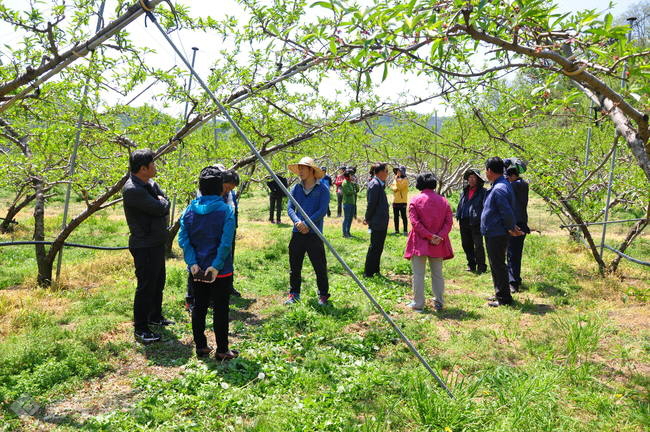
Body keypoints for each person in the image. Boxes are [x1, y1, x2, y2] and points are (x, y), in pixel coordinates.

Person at [178, 166, 239, 360]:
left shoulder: (189, 210)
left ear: (201, 188)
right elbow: (226, 242)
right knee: (221, 308)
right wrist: (216, 265)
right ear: (220, 188)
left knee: (199, 306)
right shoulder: (225, 210)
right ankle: (222, 350)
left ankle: (201, 347)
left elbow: (183, 238)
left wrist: (193, 263)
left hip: (197, 270)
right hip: (220, 271)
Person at [122, 149, 173, 344]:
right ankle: (141, 327)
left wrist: (162, 202)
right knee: (146, 286)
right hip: (144, 245)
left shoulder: (149, 183)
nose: (156, 167)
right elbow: (161, 207)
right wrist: (161, 203)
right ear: (143, 168)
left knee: (158, 282)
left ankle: (155, 316)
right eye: (153, 164)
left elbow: (163, 201)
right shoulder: (133, 189)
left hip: (156, 242)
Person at [404, 173, 454, 312]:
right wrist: (438, 236)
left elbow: (415, 223)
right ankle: (439, 302)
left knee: (418, 274)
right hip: (438, 243)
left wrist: (428, 235)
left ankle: (418, 303)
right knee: (437, 273)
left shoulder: (415, 200)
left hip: (420, 242)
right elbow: (449, 222)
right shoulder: (443, 201)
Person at [285, 157, 331, 305]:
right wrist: (297, 222)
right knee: (295, 265)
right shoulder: (296, 188)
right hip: (297, 232)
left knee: (319, 266)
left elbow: (322, 210)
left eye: (303, 168)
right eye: (299, 168)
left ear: (312, 170)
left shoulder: (322, 189)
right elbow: (290, 207)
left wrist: (307, 223)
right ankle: (294, 293)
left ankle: (323, 295)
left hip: (314, 234)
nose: (300, 171)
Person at [481, 157, 524, 307]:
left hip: (496, 232)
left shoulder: (499, 188)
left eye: (486, 170)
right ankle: (500, 293)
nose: (485, 173)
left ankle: (504, 299)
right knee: (496, 264)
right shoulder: (500, 185)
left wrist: (511, 227)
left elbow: (506, 211)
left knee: (498, 265)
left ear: (490, 171)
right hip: (494, 231)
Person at [455, 169, 487, 274]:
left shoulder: (483, 192)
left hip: (476, 222)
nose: (471, 179)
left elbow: (485, 207)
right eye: (470, 177)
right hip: (464, 221)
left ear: (478, 179)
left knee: (478, 245)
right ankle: (471, 264)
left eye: (474, 177)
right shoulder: (464, 191)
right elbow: (461, 204)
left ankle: (481, 266)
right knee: (466, 244)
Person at [506, 165, 530, 293]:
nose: (507, 179)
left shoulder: (513, 185)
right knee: (516, 254)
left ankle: (513, 282)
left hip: (515, 224)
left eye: (509, 176)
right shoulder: (524, 185)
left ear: (513, 176)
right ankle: (516, 278)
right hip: (523, 223)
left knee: (512, 254)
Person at [363, 163, 390, 277]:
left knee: (379, 246)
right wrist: (367, 218)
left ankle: (375, 270)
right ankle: (368, 272)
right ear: (380, 172)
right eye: (386, 171)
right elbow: (371, 204)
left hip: (381, 221)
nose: (387, 174)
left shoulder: (379, 184)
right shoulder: (375, 184)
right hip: (377, 221)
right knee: (374, 246)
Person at [222, 169, 242, 297]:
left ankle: (229, 286)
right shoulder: (213, 192)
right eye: (228, 187)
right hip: (219, 232)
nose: (229, 190)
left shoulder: (230, 193)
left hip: (230, 229)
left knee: (229, 258)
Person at [390, 166, 409, 235]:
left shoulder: (405, 180)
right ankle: (396, 230)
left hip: (402, 201)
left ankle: (405, 231)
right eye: (397, 171)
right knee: (395, 217)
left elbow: (400, 187)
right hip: (395, 201)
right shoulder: (396, 179)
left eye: (399, 171)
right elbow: (392, 187)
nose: (397, 173)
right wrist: (396, 187)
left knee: (404, 216)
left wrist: (397, 184)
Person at [341, 169, 358, 237]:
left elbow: (357, 189)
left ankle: (348, 232)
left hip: (352, 203)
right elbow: (348, 192)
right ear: (347, 176)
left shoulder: (351, 182)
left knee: (350, 218)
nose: (352, 176)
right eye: (351, 175)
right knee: (346, 219)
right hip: (347, 203)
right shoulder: (345, 183)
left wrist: (355, 183)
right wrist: (354, 191)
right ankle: (344, 233)